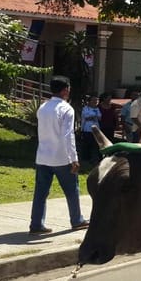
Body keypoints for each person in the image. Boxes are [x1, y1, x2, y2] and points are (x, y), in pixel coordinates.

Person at [29, 76, 89, 234]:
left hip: (43, 156)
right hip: (61, 157)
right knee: (72, 190)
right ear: (65, 90)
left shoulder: (42, 107)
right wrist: (74, 158)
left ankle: (36, 224)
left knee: (41, 192)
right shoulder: (66, 109)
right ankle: (77, 220)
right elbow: (68, 135)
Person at [80, 94, 102, 165]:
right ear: (89, 101)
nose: (96, 101)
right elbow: (86, 117)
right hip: (87, 129)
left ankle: (94, 159)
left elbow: (99, 118)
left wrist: (93, 116)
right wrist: (94, 116)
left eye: (97, 100)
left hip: (96, 129)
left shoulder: (97, 109)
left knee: (95, 145)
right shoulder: (85, 108)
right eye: (94, 100)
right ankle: (85, 159)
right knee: (87, 145)